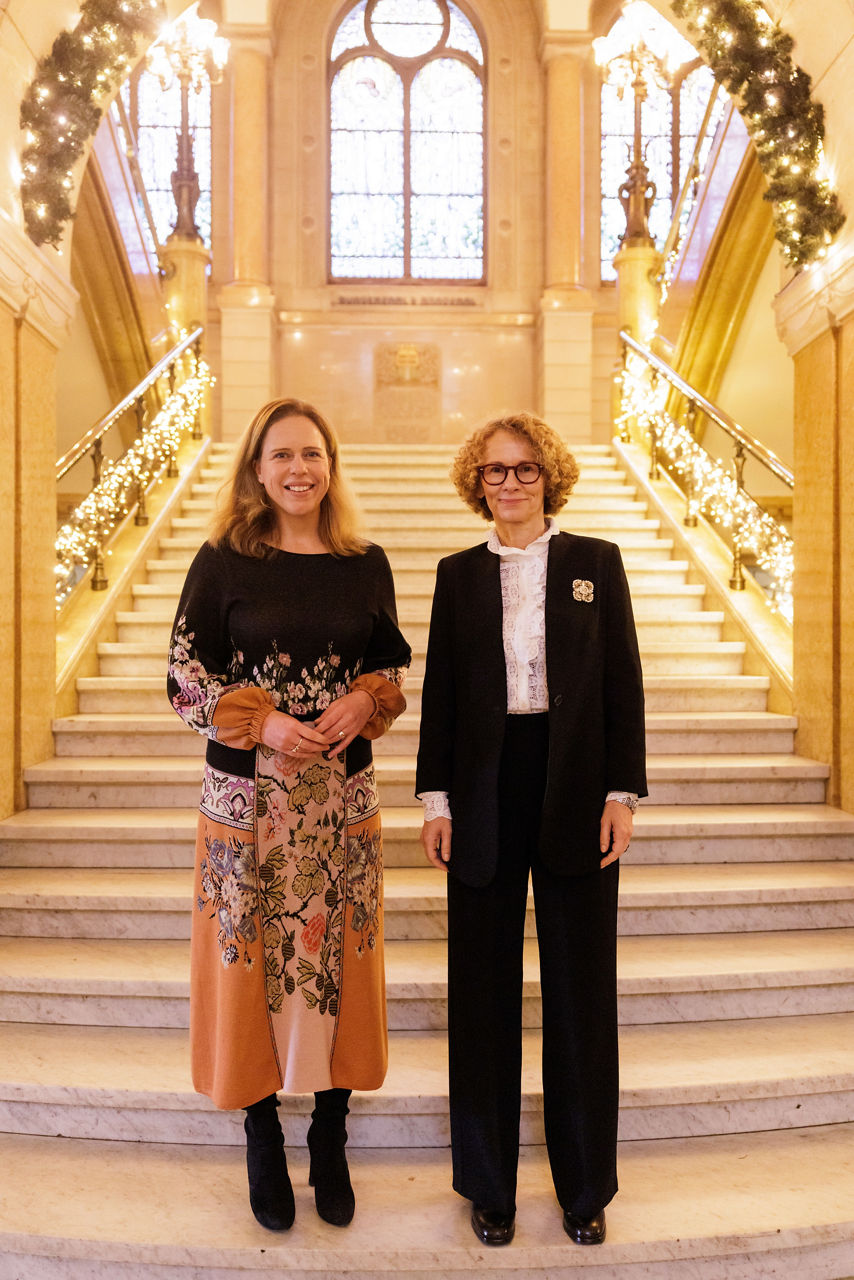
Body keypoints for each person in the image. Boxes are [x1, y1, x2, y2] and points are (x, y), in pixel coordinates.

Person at [167, 398, 410, 1233]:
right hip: (247, 804)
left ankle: (331, 1131)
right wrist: (260, 722)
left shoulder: (363, 561)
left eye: (313, 453)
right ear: (256, 470)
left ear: (330, 466)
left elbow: (390, 667)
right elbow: (182, 679)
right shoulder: (222, 561)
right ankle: (262, 1131)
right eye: (282, 455)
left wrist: (363, 704)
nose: (299, 468)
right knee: (252, 967)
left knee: (338, 962)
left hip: (341, 804)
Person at [416, 411, 646, 1248]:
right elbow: (440, 693)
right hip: (482, 790)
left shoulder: (595, 563)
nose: (509, 483)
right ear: (476, 484)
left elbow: (623, 680)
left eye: (524, 469)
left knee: (581, 993)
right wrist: (435, 801)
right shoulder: (456, 574)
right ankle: (489, 1186)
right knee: (480, 995)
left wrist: (624, 791)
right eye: (493, 471)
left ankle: (585, 1188)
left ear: (549, 475)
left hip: (577, 785)